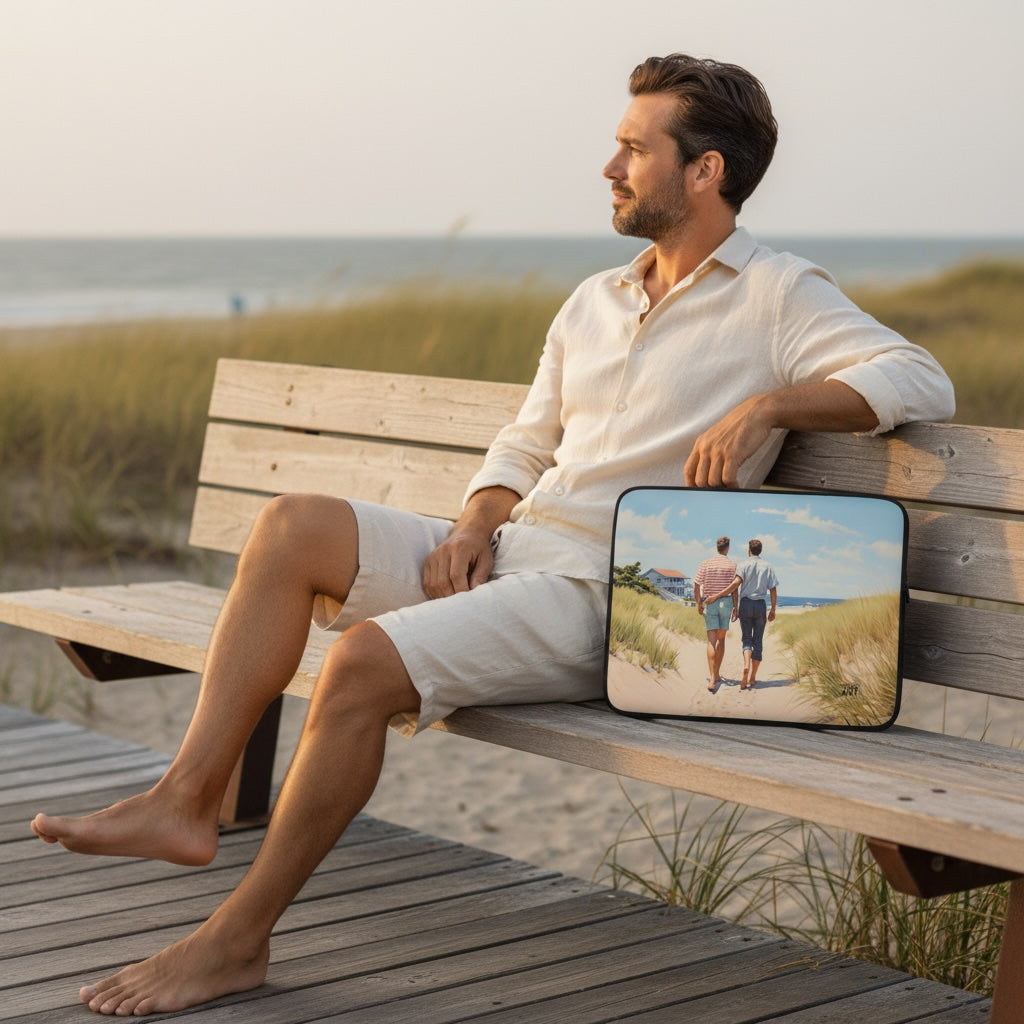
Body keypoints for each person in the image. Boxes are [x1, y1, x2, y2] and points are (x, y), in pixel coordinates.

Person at [29, 53, 955, 1016]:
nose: (610, 166)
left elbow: (919, 379)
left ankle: (235, 940)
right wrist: (477, 519)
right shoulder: (596, 299)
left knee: (356, 669)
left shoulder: (777, 295)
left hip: (605, 592)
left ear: (706, 170)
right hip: (515, 554)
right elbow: (528, 438)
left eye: (634, 149)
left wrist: (772, 405)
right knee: (293, 526)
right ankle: (186, 798)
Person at [710, 539, 780, 689]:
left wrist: (719, 595)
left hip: (746, 604)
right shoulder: (768, 566)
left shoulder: (743, 564)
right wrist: (773, 608)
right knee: (758, 641)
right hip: (761, 605)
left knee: (747, 639)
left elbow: (735, 584)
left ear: (749, 550)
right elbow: (773, 589)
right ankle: (753, 677)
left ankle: (746, 665)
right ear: (760, 551)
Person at [692, 536, 737, 692]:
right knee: (721, 641)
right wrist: (736, 607)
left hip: (710, 602)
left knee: (711, 641)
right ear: (727, 548)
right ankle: (717, 674)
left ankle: (712, 678)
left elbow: (697, 584)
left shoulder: (706, 563)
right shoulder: (732, 565)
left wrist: (698, 603)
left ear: (717, 547)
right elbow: (734, 589)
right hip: (725, 603)